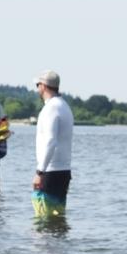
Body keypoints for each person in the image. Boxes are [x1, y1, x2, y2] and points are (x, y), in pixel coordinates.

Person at [32, 70, 74, 217]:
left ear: (43, 86)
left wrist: (39, 172)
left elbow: (51, 141)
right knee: (58, 218)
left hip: (50, 171)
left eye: (38, 85)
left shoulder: (51, 108)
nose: (37, 88)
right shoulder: (64, 106)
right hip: (63, 171)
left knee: (43, 219)